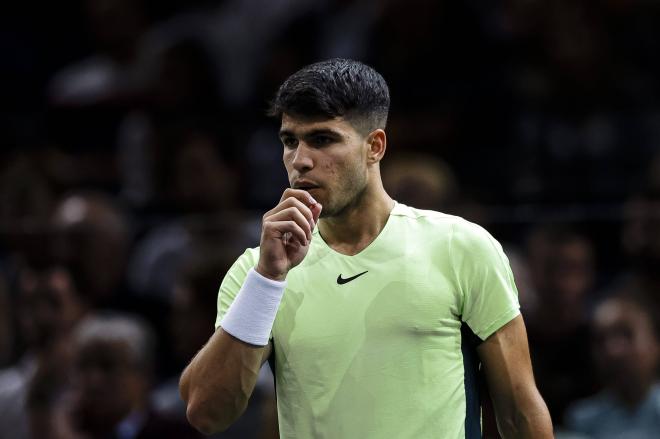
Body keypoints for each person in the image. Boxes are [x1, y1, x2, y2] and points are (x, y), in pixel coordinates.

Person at [180, 58, 553, 438]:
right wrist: (269, 278)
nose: (300, 160)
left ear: (374, 146)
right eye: (290, 141)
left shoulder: (461, 247)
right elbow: (207, 413)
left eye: (322, 139)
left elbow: (520, 413)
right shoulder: (257, 272)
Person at [564, 293, 660, 438]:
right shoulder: (581, 420)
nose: (612, 351)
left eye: (626, 334)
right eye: (601, 339)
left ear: (655, 344)